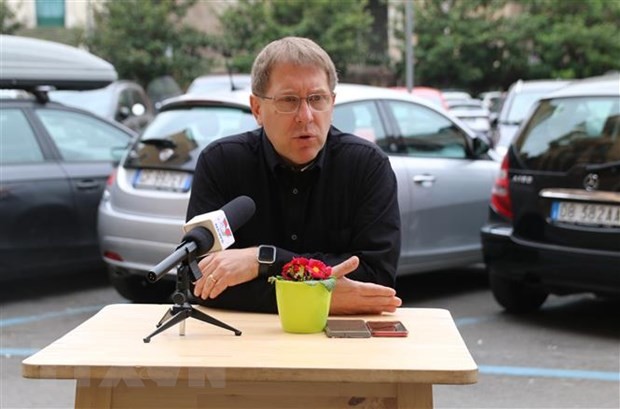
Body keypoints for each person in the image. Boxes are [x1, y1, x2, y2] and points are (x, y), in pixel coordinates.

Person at [188, 36, 402, 314]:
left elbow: (377, 280)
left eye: (317, 99)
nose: (306, 116)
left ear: (332, 103)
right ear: (257, 109)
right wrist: (323, 295)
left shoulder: (367, 166)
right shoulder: (221, 163)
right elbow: (202, 282)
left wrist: (262, 260)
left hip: (342, 345)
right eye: (289, 101)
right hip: (245, 342)